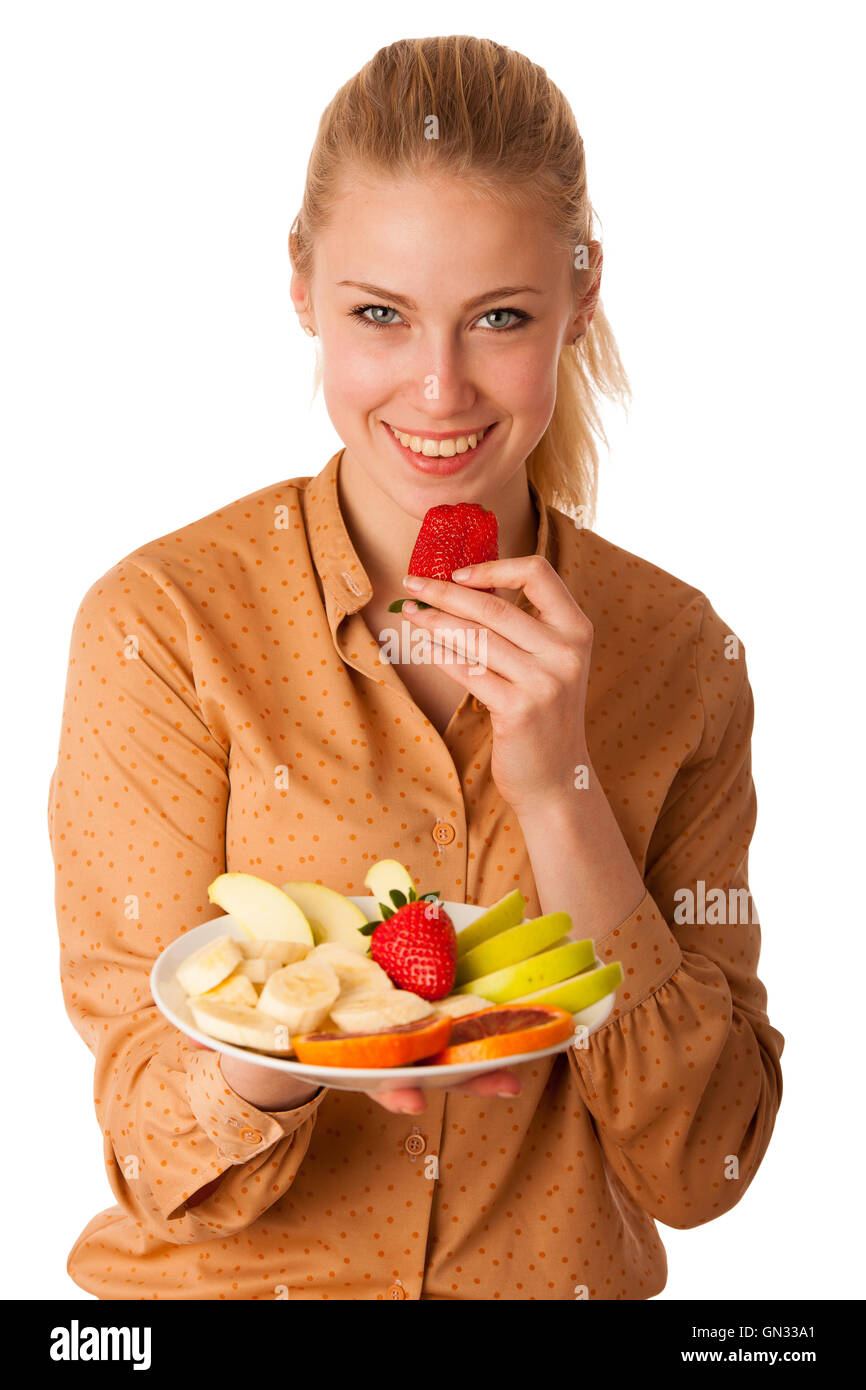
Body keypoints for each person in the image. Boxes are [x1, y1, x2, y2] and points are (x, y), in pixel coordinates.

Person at [48, 34, 784, 1301]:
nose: (437, 390)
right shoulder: (166, 624)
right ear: (301, 288)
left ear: (580, 291)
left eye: (498, 319)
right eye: (378, 315)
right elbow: (148, 1147)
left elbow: (702, 1165)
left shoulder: (679, 655)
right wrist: (298, 1044)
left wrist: (561, 792)